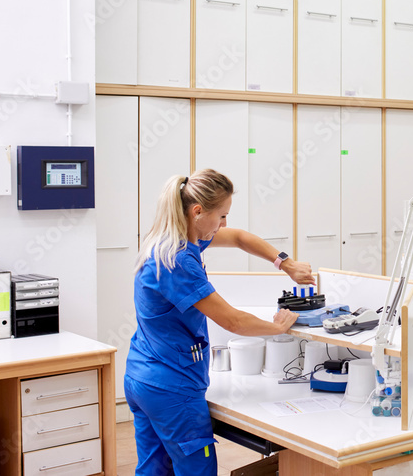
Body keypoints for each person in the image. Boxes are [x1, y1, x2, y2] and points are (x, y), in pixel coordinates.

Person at [124, 169, 315, 476]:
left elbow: (240, 238)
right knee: (197, 469)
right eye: (222, 215)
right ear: (198, 212)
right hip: (172, 387)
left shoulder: (169, 237)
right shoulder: (178, 260)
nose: (224, 224)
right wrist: (277, 327)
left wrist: (286, 262)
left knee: (154, 468)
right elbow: (232, 320)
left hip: (142, 377)